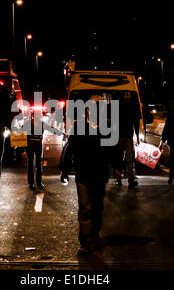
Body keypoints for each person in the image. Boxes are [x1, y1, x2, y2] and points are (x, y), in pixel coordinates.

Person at [60, 94, 115, 255]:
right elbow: (69, 148)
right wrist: (65, 168)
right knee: (85, 208)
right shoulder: (78, 127)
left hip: (99, 174)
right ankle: (85, 241)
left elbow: (113, 150)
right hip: (83, 173)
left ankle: (94, 235)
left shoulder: (107, 127)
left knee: (97, 207)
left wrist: (118, 167)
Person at [114, 91, 141, 188]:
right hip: (127, 136)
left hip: (121, 136)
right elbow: (136, 123)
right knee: (128, 160)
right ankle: (129, 180)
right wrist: (137, 136)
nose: (128, 97)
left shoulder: (118, 107)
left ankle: (120, 179)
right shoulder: (132, 108)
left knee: (120, 159)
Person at [26, 110, 45, 189]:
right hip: (30, 145)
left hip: (38, 145)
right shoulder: (28, 123)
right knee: (30, 164)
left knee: (38, 164)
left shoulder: (42, 123)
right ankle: (31, 183)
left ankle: (39, 182)